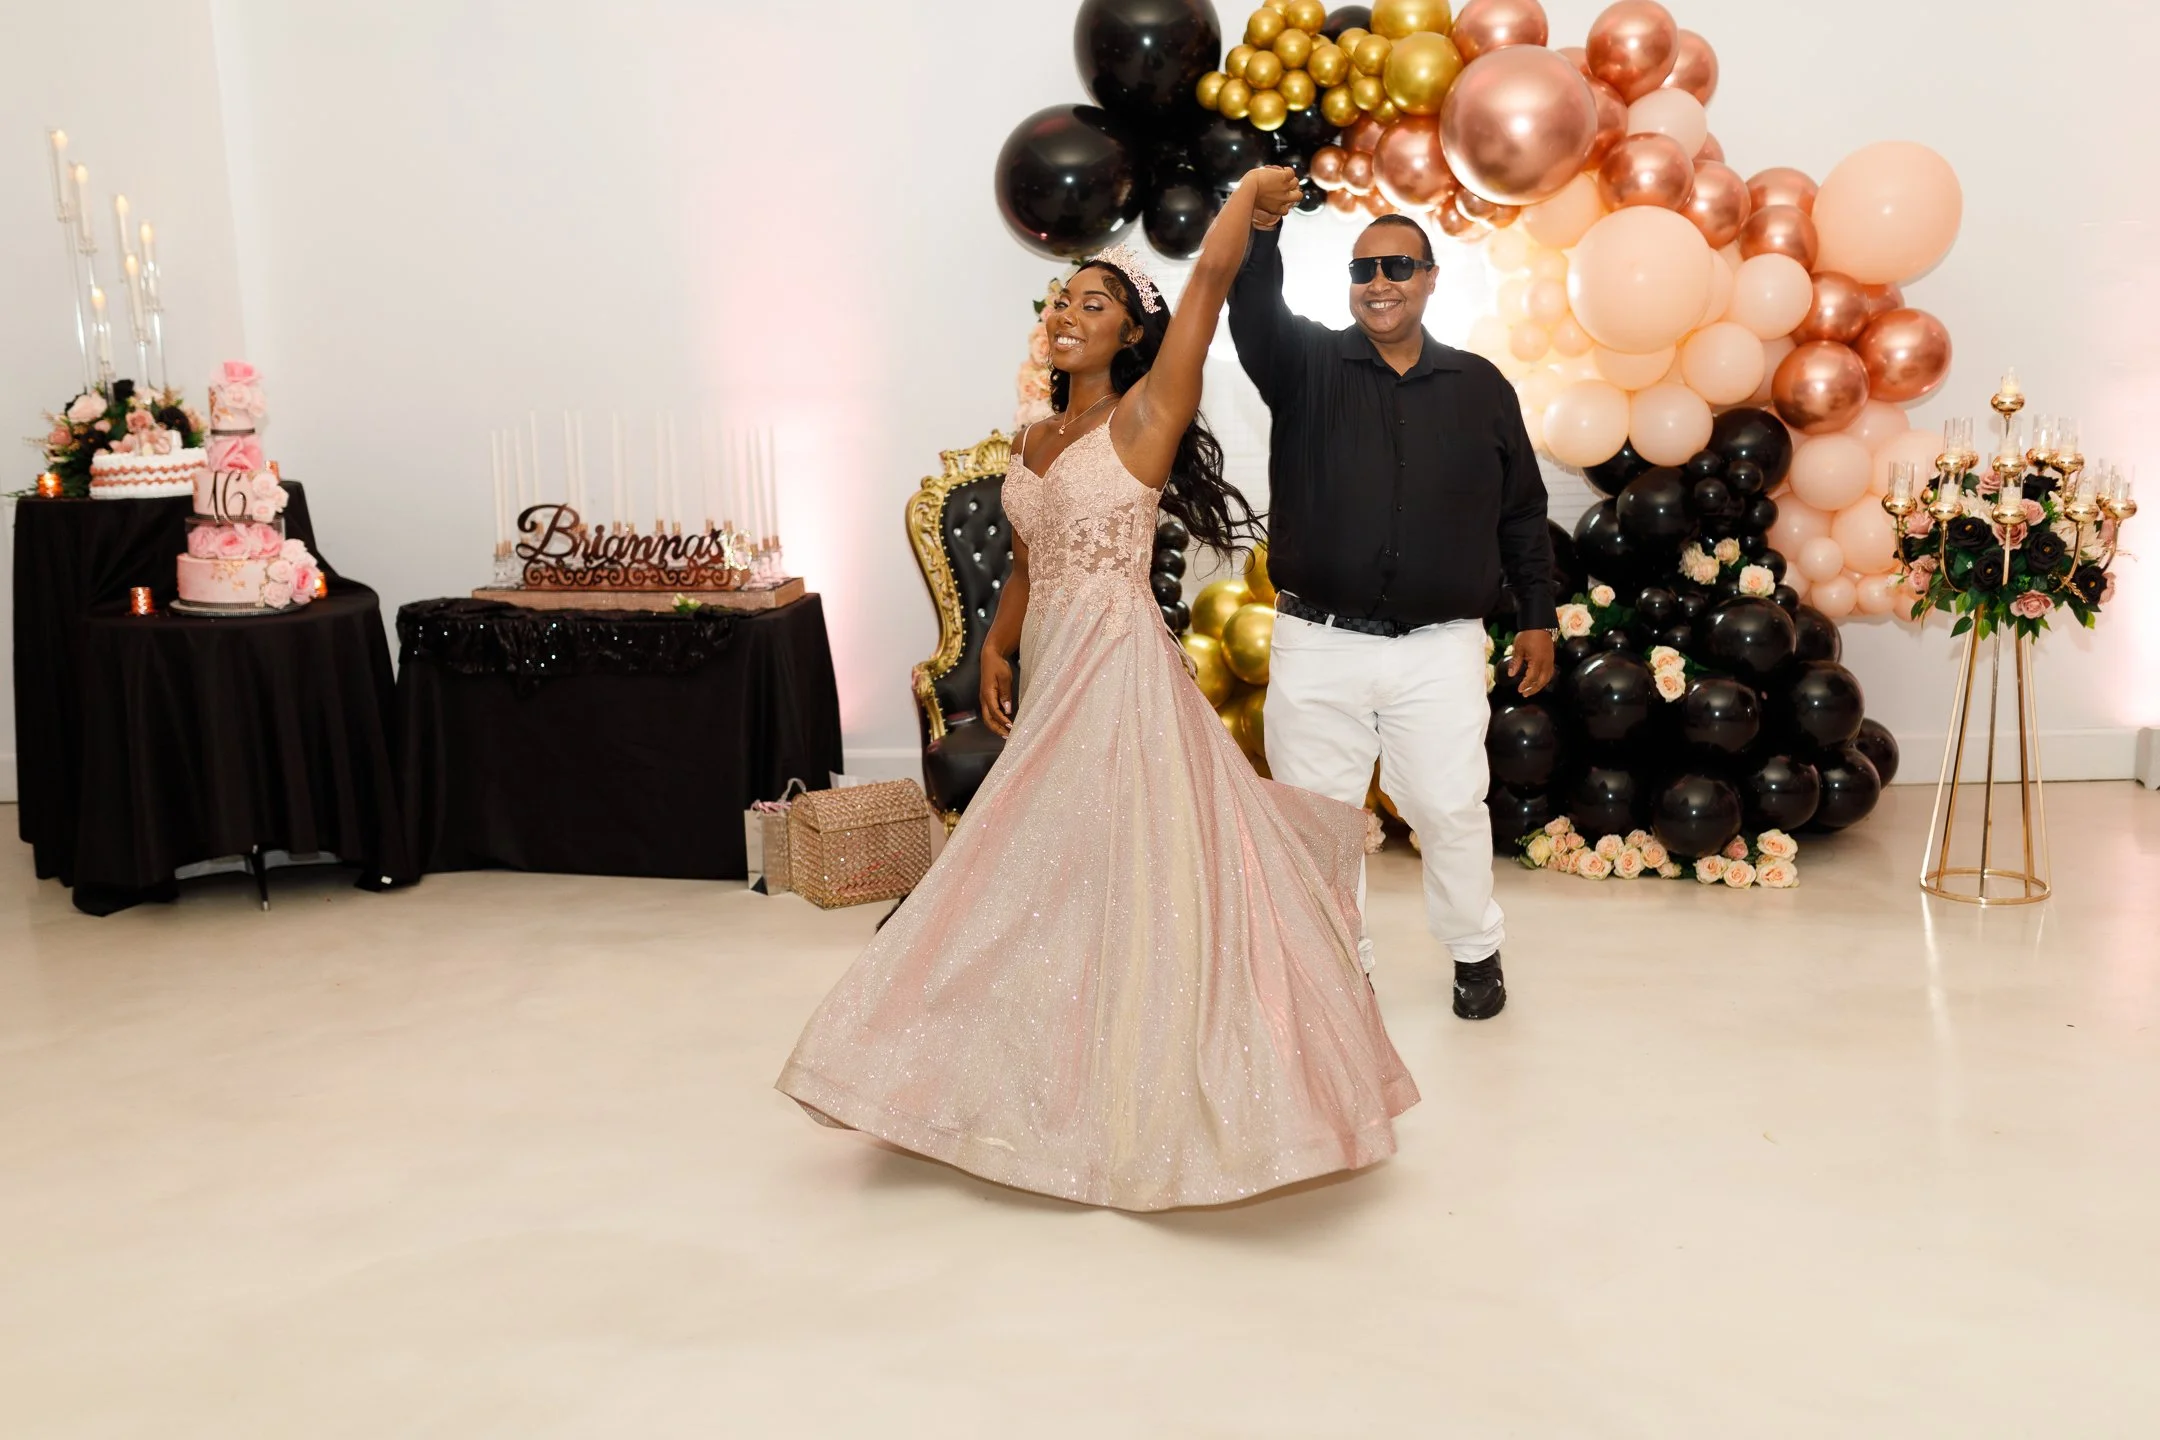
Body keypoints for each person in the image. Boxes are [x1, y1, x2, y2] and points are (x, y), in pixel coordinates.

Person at [776, 168, 1418, 1212]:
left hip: (1118, 667)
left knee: (1124, 862)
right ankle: (993, 1068)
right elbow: (1030, 552)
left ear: (1129, 333)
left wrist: (1244, 201)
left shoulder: (1149, 412)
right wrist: (997, 643)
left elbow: (1207, 285)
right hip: (1052, 658)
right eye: (1060, 302)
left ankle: (1144, 1097)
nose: (1067, 315)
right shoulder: (1031, 437)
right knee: (1037, 861)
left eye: (1094, 302)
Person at [1228, 198, 1557, 1022]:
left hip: (1441, 647)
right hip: (1320, 642)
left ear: (1430, 279)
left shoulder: (1481, 387)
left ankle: (1475, 951)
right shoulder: (1301, 364)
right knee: (1319, 823)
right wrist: (1261, 228)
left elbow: (1522, 511)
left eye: (1397, 266)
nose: (1378, 283)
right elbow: (1252, 304)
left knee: (1449, 807)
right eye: (1362, 269)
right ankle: (1340, 964)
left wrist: (1538, 615)